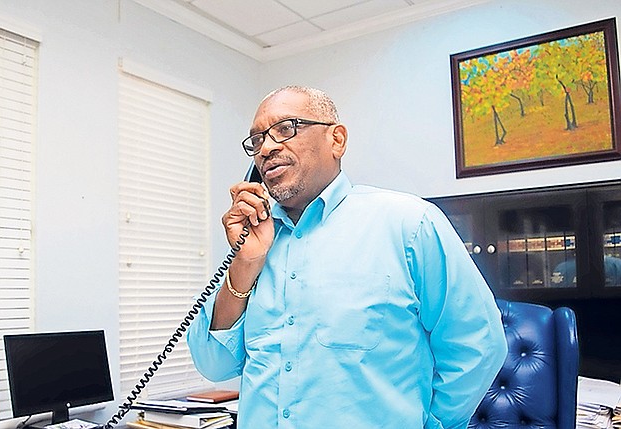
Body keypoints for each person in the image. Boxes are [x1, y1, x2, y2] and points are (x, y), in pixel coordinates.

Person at [188, 86, 507, 429]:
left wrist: (434, 423)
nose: (266, 148)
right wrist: (244, 264)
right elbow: (213, 364)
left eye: (286, 128)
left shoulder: (410, 224)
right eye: (257, 140)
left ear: (336, 140)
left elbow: (478, 346)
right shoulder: (253, 242)